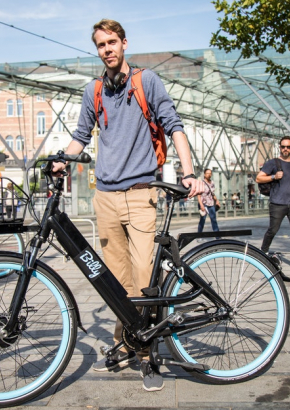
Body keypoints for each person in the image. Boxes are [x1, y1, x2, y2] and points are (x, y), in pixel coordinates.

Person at [52, 18, 203, 392]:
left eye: (112, 42)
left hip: (140, 194)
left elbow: (173, 124)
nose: (107, 49)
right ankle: (125, 344)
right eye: (101, 44)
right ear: (98, 49)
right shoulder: (95, 90)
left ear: (124, 43)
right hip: (105, 197)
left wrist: (188, 172)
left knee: (141, 278)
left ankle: (149, 356)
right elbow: (80, 137)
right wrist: (62, 158)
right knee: (114, 283)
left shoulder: (145, 81)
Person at [255, 136, 290, 269]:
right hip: (277, 203)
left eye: (288, 147)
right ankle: (263, 251)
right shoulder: (272, 163)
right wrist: (273, 176)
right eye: (283, 146)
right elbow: (258, 178)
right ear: (279, 147)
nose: (285, 149)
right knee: (273, 229)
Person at [198, 168, 220, 234]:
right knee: (202, 220)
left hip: (211, 203)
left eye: (210, 173)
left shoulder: (212, 183)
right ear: (204, 174)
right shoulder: (201, 183)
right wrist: (201, 205)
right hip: (203, 203)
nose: (209, 175)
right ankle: (199, 235)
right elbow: (199, 195)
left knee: (213, 220)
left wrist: (217, 201)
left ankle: (217, 236)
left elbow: (212, 193)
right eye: (207, 173)